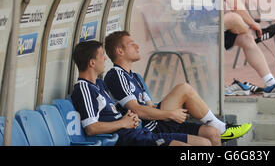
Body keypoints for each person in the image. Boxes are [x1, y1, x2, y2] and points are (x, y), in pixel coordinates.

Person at [103, 31, 252, 145]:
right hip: (150, 128)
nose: (137, 46)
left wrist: (174, 110)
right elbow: (137, 110)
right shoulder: (116, 75)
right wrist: (171, 114)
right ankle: (222, 127)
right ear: (120, 51)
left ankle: (219, 128)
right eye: (131, 44)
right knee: (183, 89)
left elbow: (151, 106)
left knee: (213, 134)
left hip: (159, 121)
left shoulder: (135, 76)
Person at [72, 40, 210, 146]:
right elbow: (91, 128)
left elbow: (113, 113)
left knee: (205, 143)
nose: (105, 59)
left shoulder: (100, 84)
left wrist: (129, 118)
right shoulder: (83, 88)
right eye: (102, 56)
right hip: (127, 139)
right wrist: (123, 123)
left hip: (138, 133)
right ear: (92, 63)